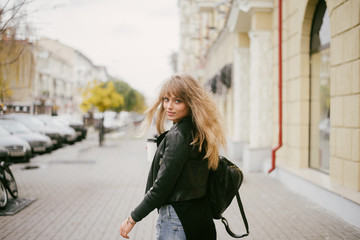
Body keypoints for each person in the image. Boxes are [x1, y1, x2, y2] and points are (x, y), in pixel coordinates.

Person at [119, 73, 227, 239]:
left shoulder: (179, 136)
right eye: (166, 99)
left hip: (176, 220)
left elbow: (161, 187)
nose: (169, 106)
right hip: (199, 216)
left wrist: (132, 218)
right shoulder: (200, 132)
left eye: (178, 101)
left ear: (190, 103)